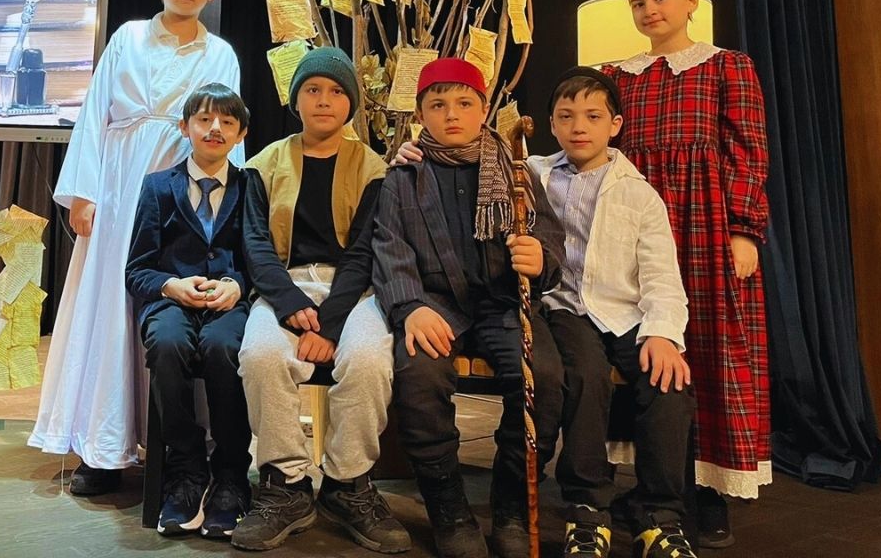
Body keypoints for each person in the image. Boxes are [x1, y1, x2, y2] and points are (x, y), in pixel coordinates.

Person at [28, 0, 243, 496]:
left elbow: (228, 131)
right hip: (120, 191)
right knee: (110, 310)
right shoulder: (126, 38)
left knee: (176, 312)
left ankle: (180, 450)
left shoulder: (220, 54)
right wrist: (83, 193)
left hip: (186, 196)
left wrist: (224, 210)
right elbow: (94, 116)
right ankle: (103, 449)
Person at [605, 0, 770, 547]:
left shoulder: (726, 67)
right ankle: (655, 486)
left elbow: (748, 150)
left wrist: (744, 230)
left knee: (708, 350)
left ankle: (708, 491)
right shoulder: (616, 76)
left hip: (705, 226)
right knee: (647, 352)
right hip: (636, 231)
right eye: (638, 3)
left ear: (691, 0)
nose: (649, 10)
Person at [374, 58, 564, 558]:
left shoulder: (515, 171)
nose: (452, 114)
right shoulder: (404, 175)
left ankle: (511, 508)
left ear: (484, 109)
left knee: (543, 377)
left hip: (503, 304)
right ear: (420, 114)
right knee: (419, 376)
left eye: (464, 103)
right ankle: (450, 510)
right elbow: (389, 248)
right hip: (436, 304)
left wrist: (539, 257)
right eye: (438, 105)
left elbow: (549, 237)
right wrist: (410, 306)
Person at [231, 47, 409, 554]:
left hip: (354, 290)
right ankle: (285, 484)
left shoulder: (373, 169)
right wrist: (289, 304)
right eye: (312, 90)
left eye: (335, 92)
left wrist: (328, 325)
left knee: (369, 359)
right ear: (296, 100)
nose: (324, 100)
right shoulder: (264, 164)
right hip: (284, 285)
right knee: (261, 355)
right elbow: (255, 244)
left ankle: (347, 483)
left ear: (351, 102)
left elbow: (365, 252)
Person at [529, 66, 697, 558]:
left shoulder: (638, 193)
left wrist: (662, 333)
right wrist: (412, 151)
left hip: (625, 313)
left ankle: (658, 512)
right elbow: (476, 163)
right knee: (584, 375)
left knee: (669, 382)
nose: (579, 126)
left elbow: (662, 274)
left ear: (615, 124)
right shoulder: (532, 174)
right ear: (552, 124)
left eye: (593, 116)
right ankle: (586, 507)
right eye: (566, 116)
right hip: (565, 307)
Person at [125, 83, 253, 538]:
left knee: (223, 348)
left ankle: (231, 475)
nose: (215, 128)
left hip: (229, 305)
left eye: (227, 122)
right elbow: (136, 270)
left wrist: (238, 286)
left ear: (240, 134)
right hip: (171, 302)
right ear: (184, 127)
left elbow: (261, 259)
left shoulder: (250, 186)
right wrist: (170, 285)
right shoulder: (157, 187)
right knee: (167, 343)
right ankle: (185, 470)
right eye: (204, 119)